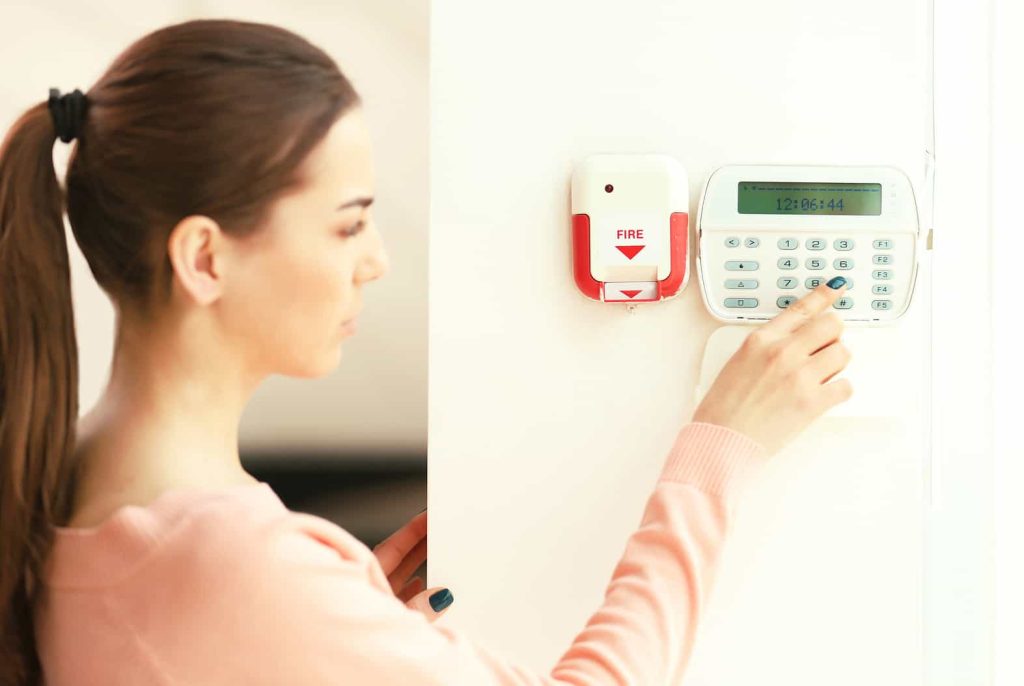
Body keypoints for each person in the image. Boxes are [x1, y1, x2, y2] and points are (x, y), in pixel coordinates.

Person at [0, 18, 853, 686]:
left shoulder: (63, 489)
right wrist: (721, 447)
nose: (376, 259)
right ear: (205, 259)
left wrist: (328, 621)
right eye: (347, 223)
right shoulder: (237, 565)